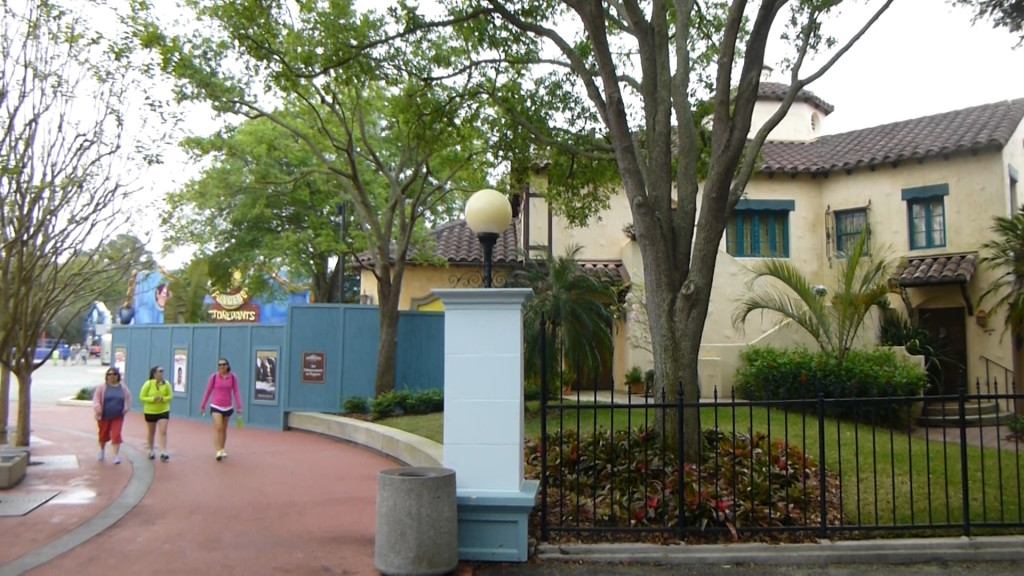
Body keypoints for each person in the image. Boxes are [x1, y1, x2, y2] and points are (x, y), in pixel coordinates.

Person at [200, 358, 243, 461]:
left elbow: (236, 392)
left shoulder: (233, 377)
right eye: (220, 365)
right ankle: (218, 450)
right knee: (218, 427)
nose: (222, 367)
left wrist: (239, 406)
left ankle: (222, 448)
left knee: (224, 429)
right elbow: (208, 391)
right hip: (216, 406)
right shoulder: (214, 377)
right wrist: (203, 405)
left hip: (228, 406)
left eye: (224, 364)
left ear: (228, 366)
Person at [92, 367, 131, 464]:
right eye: (109, 374)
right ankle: (102, 450)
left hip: (118, 415)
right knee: (103, 434)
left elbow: (128, 398)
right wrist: (98, 409)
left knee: (116, 434)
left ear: (118, 376)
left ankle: (115, 455)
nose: (112, 376)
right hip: (104, 416)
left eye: (114, 374)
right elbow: (96, 399)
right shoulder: (102, 387)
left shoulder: (122, 387)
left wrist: (125, 409)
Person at [139, 365, 173, 461]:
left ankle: (163, 451)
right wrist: (152, 399)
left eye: (163, 371)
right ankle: (151, 450)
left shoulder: (166, 384)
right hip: (150, 411)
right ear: (154, 373)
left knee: (163, 430)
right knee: (151, 432)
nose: (162, 373)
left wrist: (163, 399)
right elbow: (142, 397)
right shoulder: (148, 384)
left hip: (163, 410)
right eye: (160, 371)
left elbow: (170, 396)